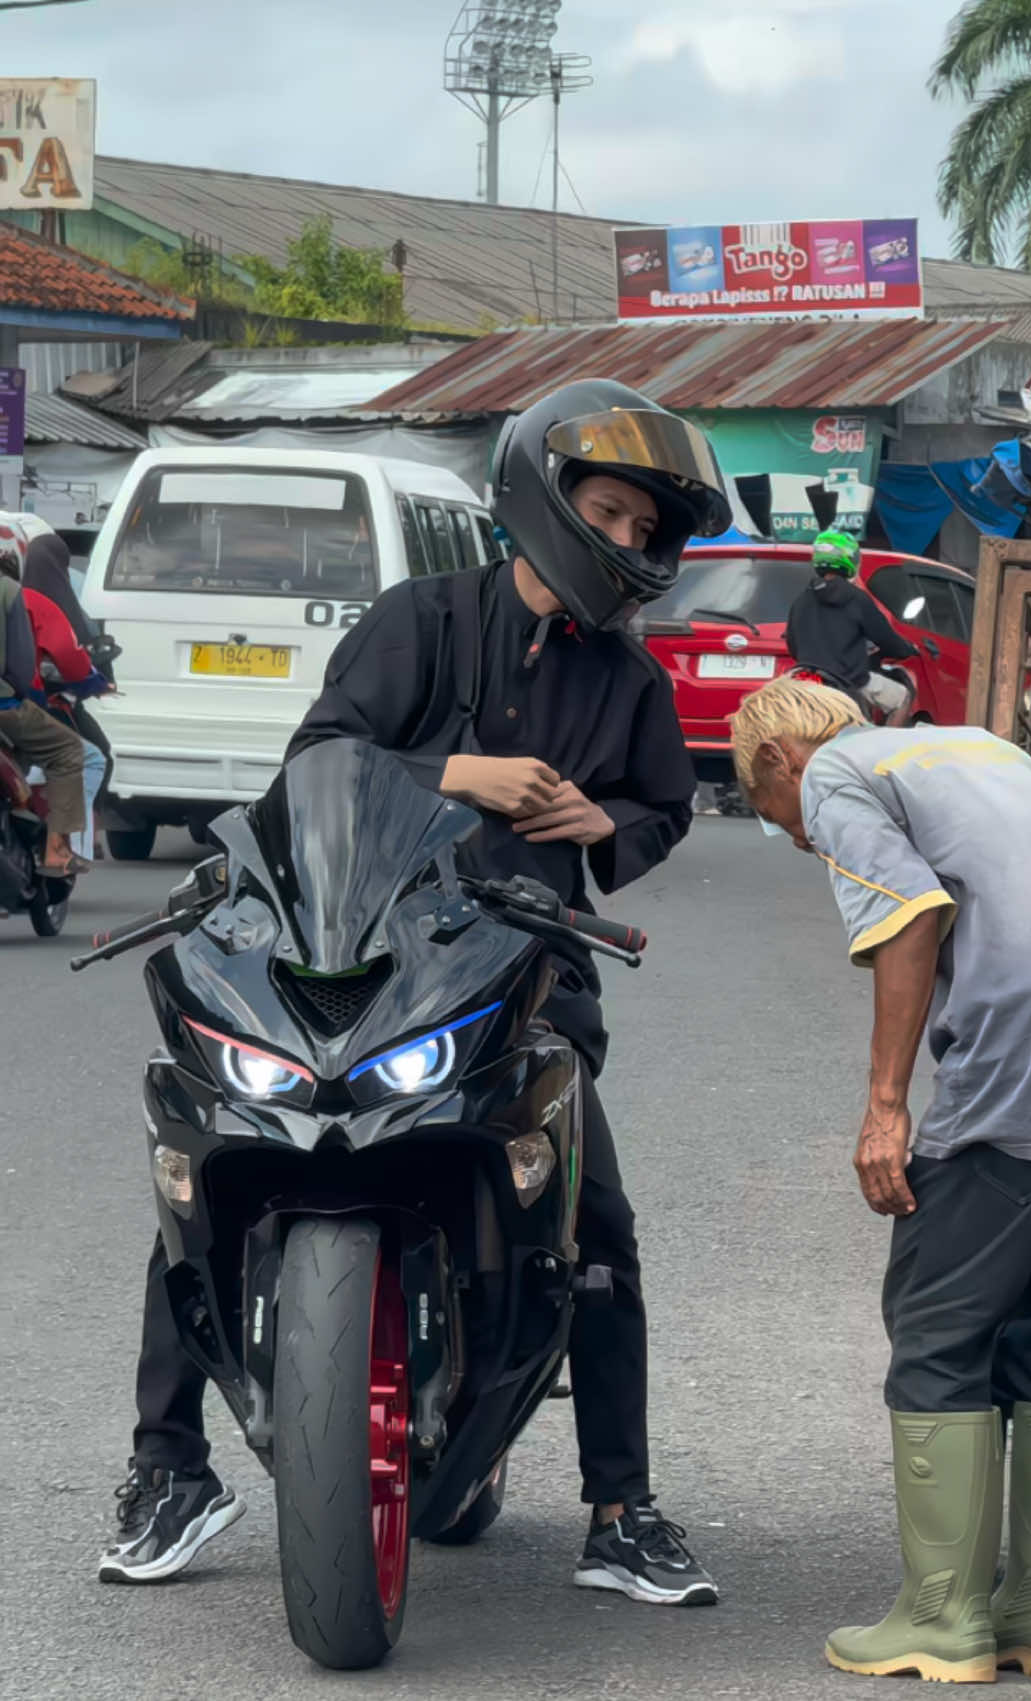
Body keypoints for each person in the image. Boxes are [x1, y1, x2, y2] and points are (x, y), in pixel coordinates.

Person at [100, 379, 731, 1607]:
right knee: (215, 1171)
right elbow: (320, 757)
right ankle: (168, 1468)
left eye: (646, 531)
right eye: (609, 511)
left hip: (527, 977)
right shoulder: (421, 617)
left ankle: (622, 1507)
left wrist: (606, 823)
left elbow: (662, 808)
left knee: (597, 1231)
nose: (627, 543)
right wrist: (464, 772)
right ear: (543, 501)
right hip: (354, 954)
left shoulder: (629, 682)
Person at [730, 678, 1031, 1684]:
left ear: (778, 763)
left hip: (1030, 1054)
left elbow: (906, 915)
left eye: (778, 825)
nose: (802, 842)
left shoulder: (840, 773)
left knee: (936, 1332)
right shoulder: (976, 749)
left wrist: (886, 1104)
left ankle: (941, 1622)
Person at [0, 525, 87, 876]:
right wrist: (28, 696)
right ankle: (56, 851)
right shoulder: (9, 591)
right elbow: (21, 666)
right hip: (5, 707)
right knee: (68, 750)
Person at [22, 530, 112, 861]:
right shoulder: (44, 604)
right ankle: (71, 844)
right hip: (33, 706)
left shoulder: (17, 597)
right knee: (93, 756)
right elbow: (71, 659)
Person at [785, 529, 918, 726]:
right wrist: (907, 649)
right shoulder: (856, 598)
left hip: (804, 677)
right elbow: (886, 639)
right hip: (849, 680)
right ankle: (885, 752)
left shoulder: (801, 599)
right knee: (902, 698)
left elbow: (793, 645)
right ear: (850, 560)